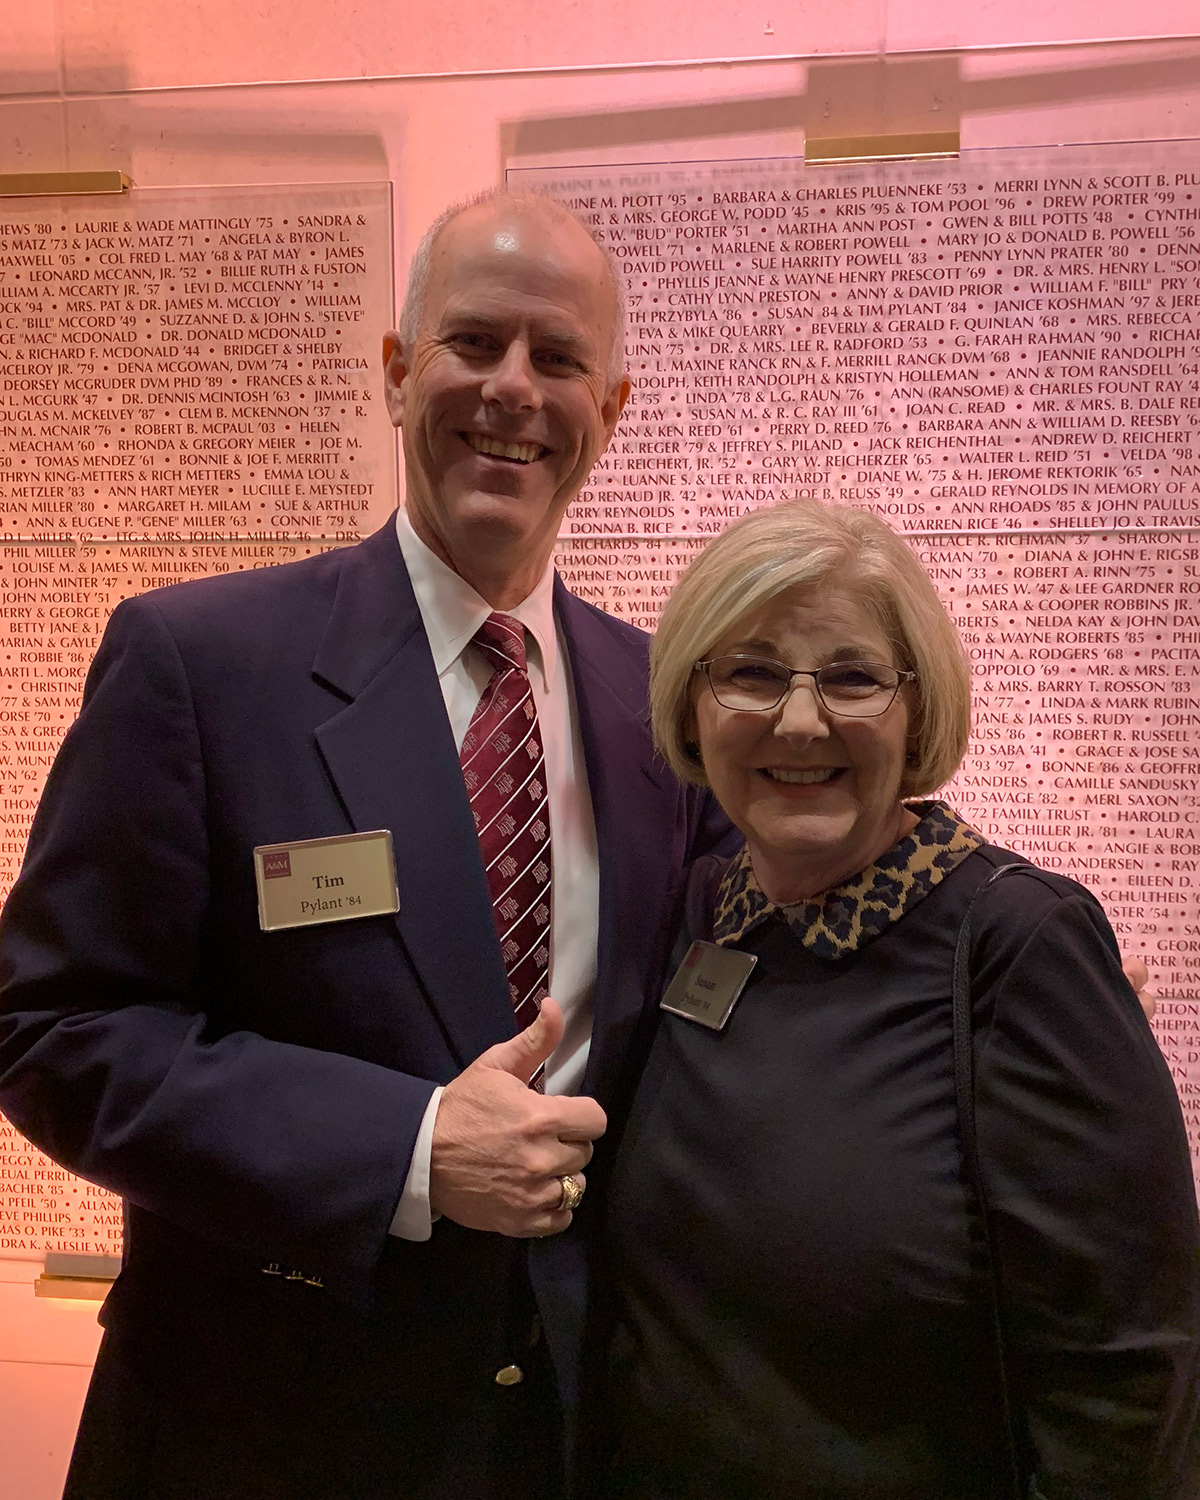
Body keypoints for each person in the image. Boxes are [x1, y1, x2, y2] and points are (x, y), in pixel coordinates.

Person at [0, 191, 734, 1500]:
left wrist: (996, 972)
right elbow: (57, 1030)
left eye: (557, 359)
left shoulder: (663, 709)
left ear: (609, 413)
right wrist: (405, 1146)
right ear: (397, 375)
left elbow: (757, 978)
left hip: (569, 1440)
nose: (512, 389)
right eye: (472, 344)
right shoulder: (201, 666)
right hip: (260, 1436)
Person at [595, 499, 1200, 1499]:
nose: (799, 719)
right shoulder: (706, 912)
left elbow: (1127, 1378)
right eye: (750, 672)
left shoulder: (1020, 947)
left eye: (852, 677)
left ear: (918, 708)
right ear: (693, 704)